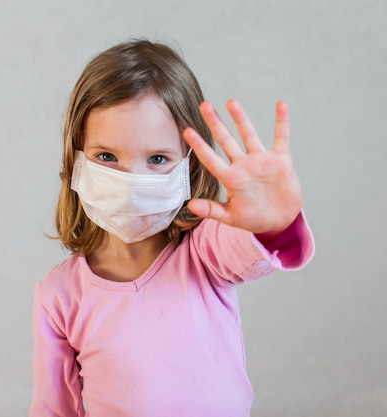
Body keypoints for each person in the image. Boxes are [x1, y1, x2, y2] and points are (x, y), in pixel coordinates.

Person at [29, 38, 314, 417]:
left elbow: (250, 246)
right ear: (77, 159)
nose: (132, 181)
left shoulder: (206, 252)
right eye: (107, 156)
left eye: (158, 158)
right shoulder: (60, 294)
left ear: (189, 165)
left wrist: (271, 221)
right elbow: (54, 408)